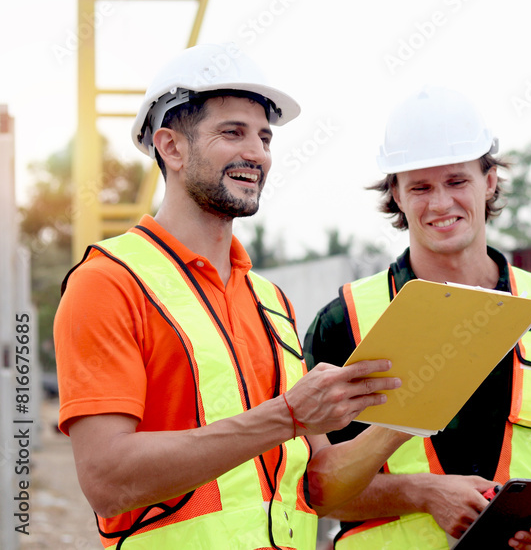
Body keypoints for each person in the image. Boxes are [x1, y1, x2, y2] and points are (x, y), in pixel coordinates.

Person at [54, 43, 409, 549]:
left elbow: (320, 488)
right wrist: (285, 415)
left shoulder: (269, 301)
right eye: (232, 133)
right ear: (172, 148)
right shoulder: (108, 282)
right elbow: (108, 482)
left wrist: (411, 414)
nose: (257, 153)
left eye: (264, 137)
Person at [304, 86, 531, 550]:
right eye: (421, 187)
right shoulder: (343, 322)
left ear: (489, 181)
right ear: (397, 194)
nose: (441, 204)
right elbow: (310, 487)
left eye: (456, 181)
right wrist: (421, 493)